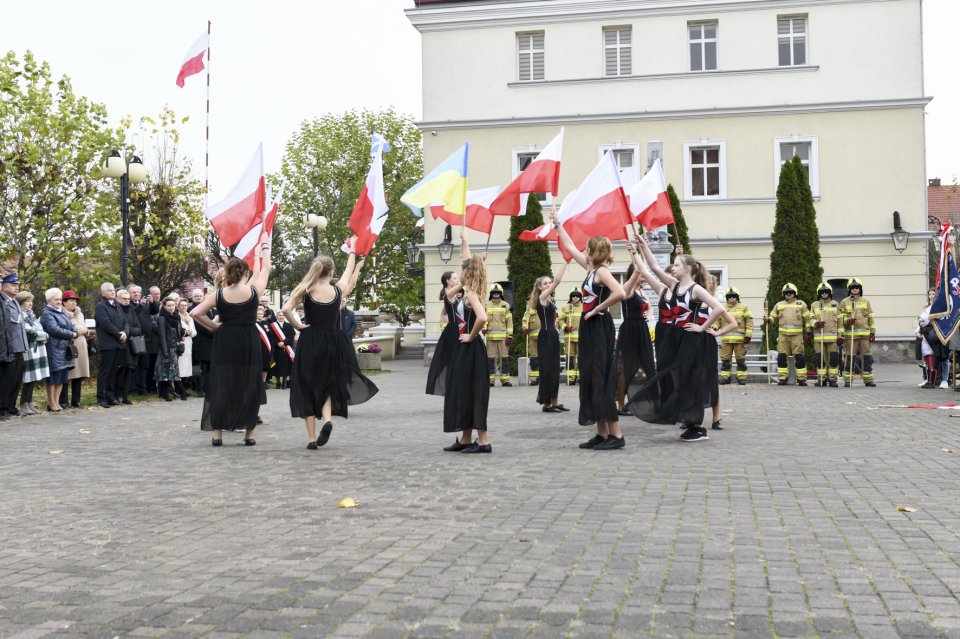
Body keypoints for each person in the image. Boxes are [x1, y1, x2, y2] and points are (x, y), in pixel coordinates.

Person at [629, 238, 736, 442]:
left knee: (692, 380)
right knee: (676, 377)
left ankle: (697, 426)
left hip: (690, 340)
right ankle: (688, 418)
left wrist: (702, 327)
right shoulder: (674, 285)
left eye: (677, 264)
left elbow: (719, 309)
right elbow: (651, 267)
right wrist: (640, 247)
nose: (673, 268)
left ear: (688, 268)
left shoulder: (696, 289)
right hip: (675, 338)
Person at [281, 244, 379, 450]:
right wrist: (353, 251)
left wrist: (298, 325)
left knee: (307, 385)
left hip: (310, 340)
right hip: (332, 342)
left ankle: (311, 439)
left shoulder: (306, 289)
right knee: (327, 383)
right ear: (331, 271)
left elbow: (285, 309)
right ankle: (327, 420)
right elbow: (347, 274)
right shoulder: (337, 290)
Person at [553, 212, 627, 450]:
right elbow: (569, 246)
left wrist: (596, 309)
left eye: (588, 249)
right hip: (589, 326)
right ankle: (602, 433)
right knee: (591, 378)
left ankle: (616, 435)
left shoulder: (603, 271)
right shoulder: (590, 270)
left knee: (600, 377)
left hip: (598, 326)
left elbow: (620, 292)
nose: (584, 252)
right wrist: (558, 224)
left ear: (595, 252)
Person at [192, 235, 271, 446]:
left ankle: (217, 434)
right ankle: (249, 435)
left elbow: (196, 313)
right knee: (249, 384)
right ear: (246, 273)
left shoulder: (219, 294)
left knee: (222, 383)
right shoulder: (254, 292)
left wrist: (214, 327)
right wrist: (263, 246)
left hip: (226, 339)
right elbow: (266, 269)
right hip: (248, 339)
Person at [439, 231, 491, 453]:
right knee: (464, 391)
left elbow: (482, 317)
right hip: (466, 348)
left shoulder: (471, 295)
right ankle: (466, 438)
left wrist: (471, 336)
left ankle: (484, 441)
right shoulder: (472, 291)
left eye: (463, 269)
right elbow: (467, 260)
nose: (459, 272)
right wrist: (465, 242)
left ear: (468, 273)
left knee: (473, 391)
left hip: (471, 347)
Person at [616, 243, 655, 416]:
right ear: (634, 275)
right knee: (626, 368)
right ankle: (620, 405)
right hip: (630, 330)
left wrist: (649, 313)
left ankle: (645, 401)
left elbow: (649, 307)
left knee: (645, 366)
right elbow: (625, 291)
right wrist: (634, 255)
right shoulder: (629, 289)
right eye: (641, 275)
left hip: (642, 329)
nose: (644, 277)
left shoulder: (641, 291)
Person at [531, 262, 569, 413]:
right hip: (546, 336)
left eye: (548, 283)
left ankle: (555, 401)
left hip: (552, 335)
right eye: (545, 283)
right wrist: (565, 262)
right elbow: (558, 281)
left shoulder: (551, 300)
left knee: (554, 369)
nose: (548, 285)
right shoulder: (542, 297)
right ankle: (547, 404)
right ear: (540, 287)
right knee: (547, 370)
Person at [39, 288, 77, 413]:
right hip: (53, 348)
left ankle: (57, 401)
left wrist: (74, 331)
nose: (59, 301)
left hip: (64, 348)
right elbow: (54, 329)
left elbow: (71, 325)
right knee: (53, 377)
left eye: (60, 299)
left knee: (62, 377)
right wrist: (71, 334)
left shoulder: (62, 312)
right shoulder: (47, 313)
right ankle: (51, 403)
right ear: (49, 300)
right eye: (56, 299)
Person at [426, 269, 462, 399]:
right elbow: (464, 281)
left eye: (458, 278)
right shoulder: (450, 293)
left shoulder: (452, 294)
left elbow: (443, 314)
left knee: (456, 363)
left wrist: (452, 321)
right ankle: (452, 396)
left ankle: (455, 395)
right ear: (448, 281)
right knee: (453, 364)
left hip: (454, 329)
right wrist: (478, 262)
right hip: (453, 333)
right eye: (455, 278)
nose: (458, 280)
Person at [767, 283, 809, 386]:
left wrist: (808, 331)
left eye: (790, 293)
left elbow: (807, 318)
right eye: (786, 293)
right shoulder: (779, 304)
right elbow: (772, 316)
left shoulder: (801, 304)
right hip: (783, 336)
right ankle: (782, 378)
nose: (788, 295)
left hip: (797, 336)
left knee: (799, 357)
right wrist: (768, 320)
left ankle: (801, 379)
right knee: (781, 357)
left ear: (795, 293)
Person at [94, 282, 128, 408]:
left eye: (113, 290)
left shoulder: (117, 305)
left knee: (114, 371)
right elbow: (105, 323)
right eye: (109, 291)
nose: (112, 292)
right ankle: (101, 397)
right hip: (108, 344)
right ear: (103, 293)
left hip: (119, 343)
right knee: (105, 371)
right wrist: (118, 334)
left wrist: (125, 332)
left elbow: (125, 321)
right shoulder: (101, 307)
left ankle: (111, 396)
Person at [838, 277, 876, 387]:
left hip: (864, 335)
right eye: (852, 288)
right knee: (850, 357)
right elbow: (841, 320)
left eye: (857, 287)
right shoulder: (844, 302)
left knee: (867, 357)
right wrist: (848, 320)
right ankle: (848, 380)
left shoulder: (866, 302)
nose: (855, 289)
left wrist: (872, 332)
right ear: (849, 289)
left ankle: (868, 380)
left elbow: (870, 318)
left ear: (860, 289)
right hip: (851, 335)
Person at [0, 273, 27, 420]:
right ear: (4, 287)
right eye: (12, 285)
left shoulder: (15, 301)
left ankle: (11, 406)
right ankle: (3, 408)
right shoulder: (3, 301)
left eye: (17, 285)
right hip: (10, 347)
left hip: (19, 346)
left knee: (16, 379)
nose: (16, 288)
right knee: (7, 380)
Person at [17, 291, 48, 416]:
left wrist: (42, 334)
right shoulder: (22, 315)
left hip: (38, 349)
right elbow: (30, 333)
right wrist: (45, 336)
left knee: (34, 378)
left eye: (31, 301)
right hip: (29, 349)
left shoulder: (31, 315)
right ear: (21, 303)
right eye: (27, 301)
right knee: (28, 378)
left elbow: (39, 328)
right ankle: (23, 403)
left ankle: (29, 402)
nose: (30, 304)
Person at [808, 283, 842, 387]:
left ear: (829, 293)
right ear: (819, 293)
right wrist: (816, 324)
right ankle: (821, 379)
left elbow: (840, 322)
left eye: (826, 291)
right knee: (820, 359)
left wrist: (840, 336)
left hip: (832, 338)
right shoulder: (814, 305)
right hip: (819, 338)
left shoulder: (835, 304)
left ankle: (832, 379)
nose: (824, 293)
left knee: (833, 359)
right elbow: (810, 319)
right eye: (822, 292)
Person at [60, 290, 90, 408]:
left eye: (75, 301)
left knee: (79, 374)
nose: (74, 303)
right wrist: (79, 329)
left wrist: (85, 330)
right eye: (71, 300)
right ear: (64, 302)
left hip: (81, 346)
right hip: (69, 346)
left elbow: (85, 329)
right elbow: (71, 329)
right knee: (67, 374)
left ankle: (76, 401)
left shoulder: (80, 314)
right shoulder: (61, 314)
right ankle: (63, 401)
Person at [718, 286, 752, 385]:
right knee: (725, 360)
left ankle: (741, 378)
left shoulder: (744, 307)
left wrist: (748, 336)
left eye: (733, 296)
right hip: (726, 340)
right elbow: (717, 320)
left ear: (737, 297)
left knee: (740, 360)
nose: (731, 298)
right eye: (729, 296)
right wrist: (714, 327)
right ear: (726, 298)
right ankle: (725, 378)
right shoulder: (722, 307)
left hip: (740, 340)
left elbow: (749, 321)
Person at [155, 296, 186, 402]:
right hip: (166, 348)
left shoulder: (177, 317)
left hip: (175, 347)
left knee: (171, 371)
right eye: (169, 306)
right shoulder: (162, 318)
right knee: (165, 372)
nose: (171, 307)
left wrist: (185, 332)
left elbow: (179, 331)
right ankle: (167, 393)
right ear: (164, 306)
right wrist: (164, 351)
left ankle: (169, 392)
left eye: (173, 305)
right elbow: (162, 335)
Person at [116, 289, 143, 405]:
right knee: (120, 371)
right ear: (118, 299)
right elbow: (119, 327)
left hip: (132, 344)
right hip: (121, 344)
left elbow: (138, 327)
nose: (127, 301)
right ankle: (116, 395)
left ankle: (125, 397)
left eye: (128, 299)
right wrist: (129, 331)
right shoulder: (117, 310)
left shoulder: (132, 310)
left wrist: (129, 331)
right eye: (124, 299)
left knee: (130, 370)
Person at [188, 289, 216, 397]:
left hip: (211, 343)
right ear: (193, 297)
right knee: (202, 368)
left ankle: (208, 388)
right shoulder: (192, 309)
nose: (198, 298)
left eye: (200, 296)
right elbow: (201, 326)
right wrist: (215, 332)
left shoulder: (211, 310)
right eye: (196, 296)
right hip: (201, 343)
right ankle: (200, 389)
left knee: (209, 368)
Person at [484, 283, 513, 387]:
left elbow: (509, 322)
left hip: (503, 338)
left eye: (498, 292)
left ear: (500, 293)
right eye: (494, 292)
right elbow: (483, 320)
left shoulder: (505, 305)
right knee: (490, 359)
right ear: (491, 294)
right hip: (490, 337)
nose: (496, 294)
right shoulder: (486, 305)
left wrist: (509, 335)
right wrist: (484, 328)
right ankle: (490, 380)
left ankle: (505, 380)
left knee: (504, 358)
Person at [558, 289, 583, 385]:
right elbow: (560, 320)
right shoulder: (565, 307)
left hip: (582, 338)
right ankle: (571, 378)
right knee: (570, 358)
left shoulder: (584, 307)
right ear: (570, 297)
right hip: (569, 337)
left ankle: (582, 377)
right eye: (573, 296)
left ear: (580, 297)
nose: (575, 298)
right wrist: (565, 328)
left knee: (581, 358)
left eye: (577, 296)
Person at [177, 299, 196, 393]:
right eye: (182, 305)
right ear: (178, 306)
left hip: (188, 343)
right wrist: (184, 333)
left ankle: (184, 388)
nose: (184, 307)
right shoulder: (177, 317)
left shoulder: (190, 318)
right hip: (181, 343)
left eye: (185, 305)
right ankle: (179, 389)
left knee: (187, 366)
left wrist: (191, 332)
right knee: (180, 365)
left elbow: (195, 332)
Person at [521, 299, 541, 386]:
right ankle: (534, 379)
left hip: (544, 338)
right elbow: (525, 320)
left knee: (545, 359)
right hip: (533, 339)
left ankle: (543, 378)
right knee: (534, 359)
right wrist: (525, 327)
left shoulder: (546, 307)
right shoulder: (529, 309)